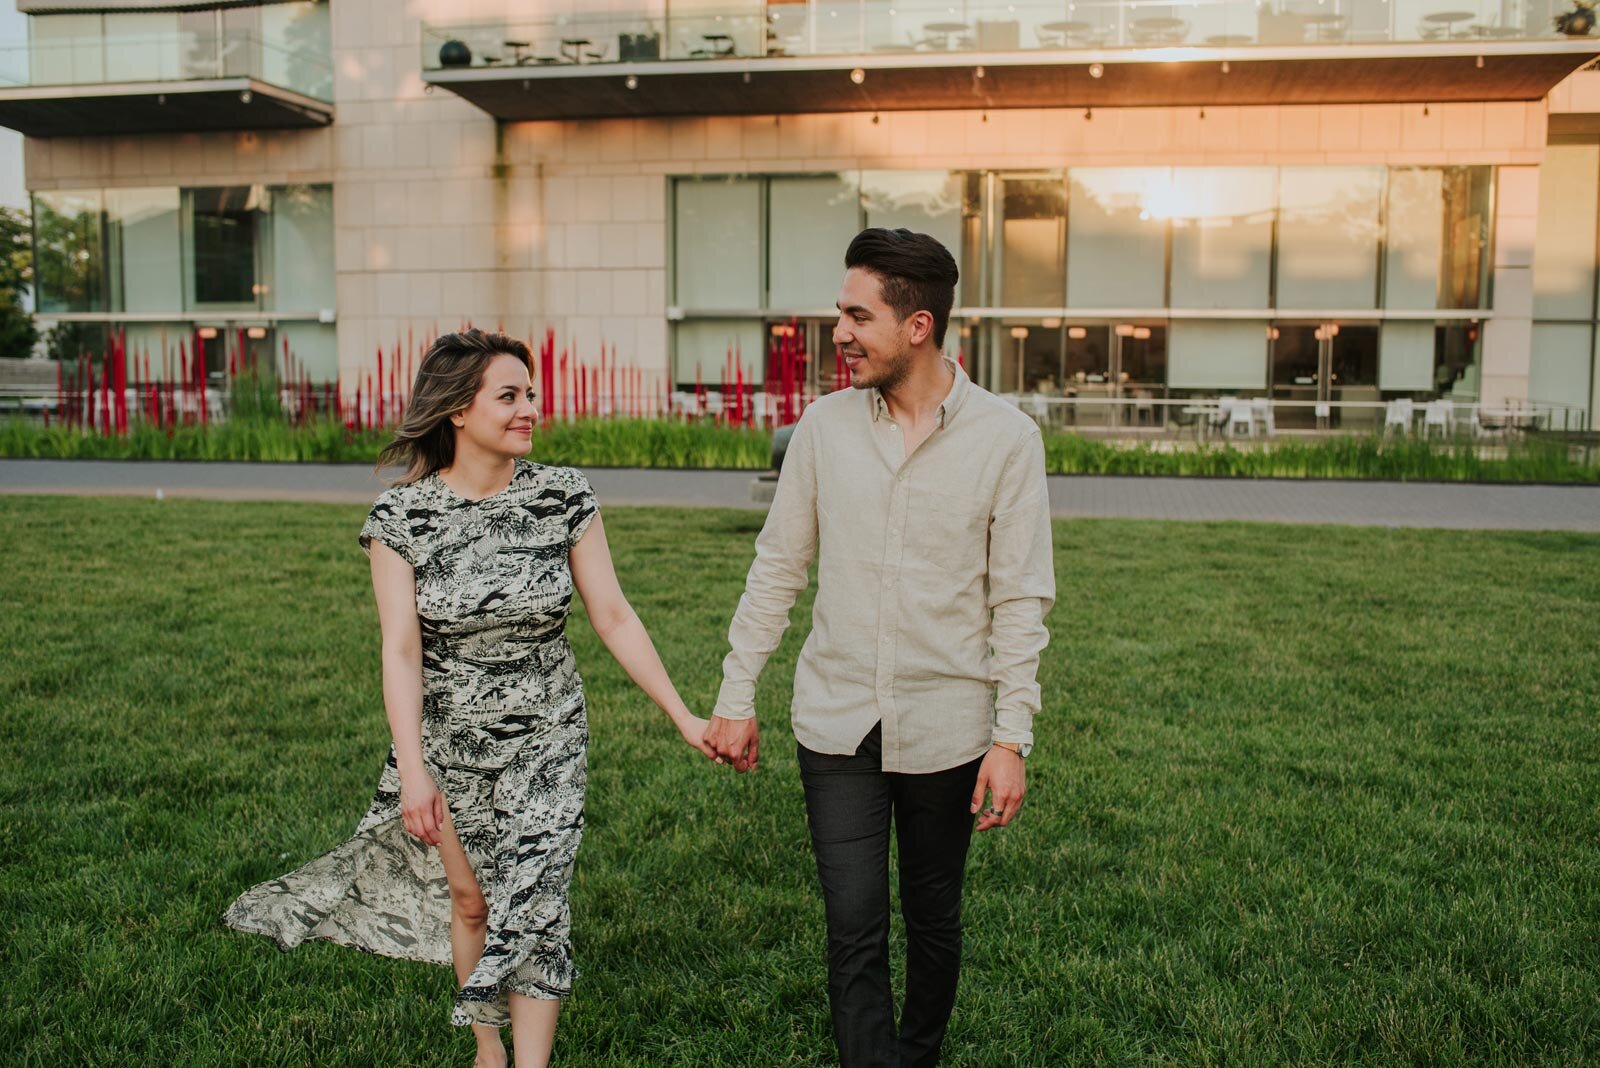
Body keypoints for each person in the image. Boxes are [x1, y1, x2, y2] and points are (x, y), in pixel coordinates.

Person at [223, 328, 715, 1068]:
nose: (528, 410)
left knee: (538, 901)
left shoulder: (562, 496)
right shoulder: (402, 518)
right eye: (509, 396)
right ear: (458, 409)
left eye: (530, 396)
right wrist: (413, 770)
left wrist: (683, 715)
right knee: (473, 901)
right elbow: (400, 649)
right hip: (450, 739)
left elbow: (613, 615)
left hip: (549, 732)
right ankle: (488, 1046)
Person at [704, 229, 1055, 1067]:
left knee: (934, 920)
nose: (841, 333)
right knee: (853, 925)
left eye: (858, 316)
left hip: (948, 727)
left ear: (919, 326)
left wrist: (1011, 739)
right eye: (841, 314)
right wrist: (734, 692)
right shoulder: (822, 429)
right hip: (837, 725)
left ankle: (918, 1054)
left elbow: (1020, 599)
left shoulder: (1007, 440)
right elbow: (778, 567)